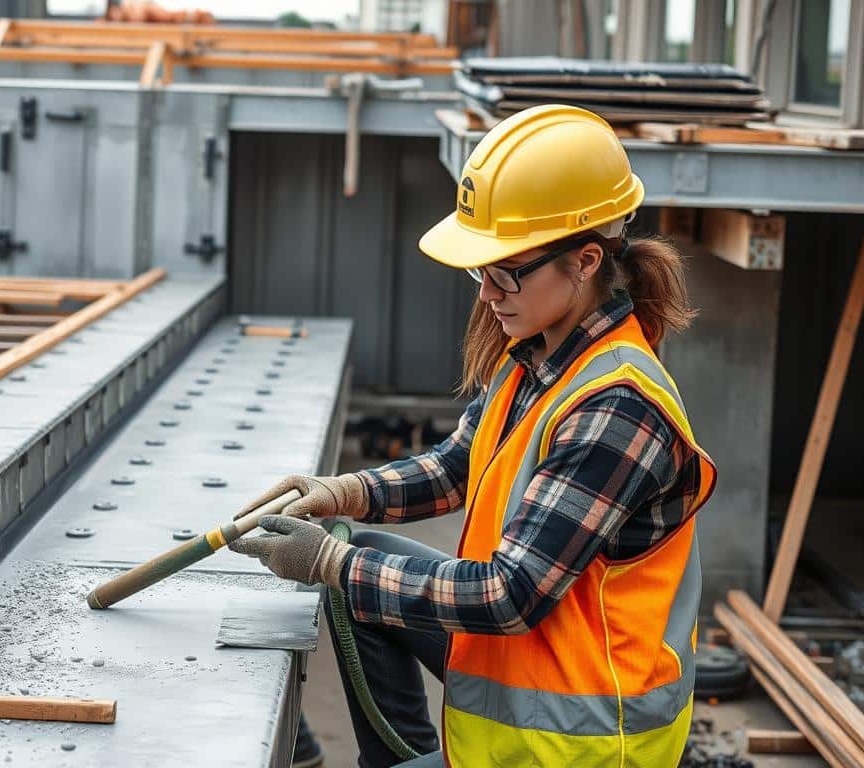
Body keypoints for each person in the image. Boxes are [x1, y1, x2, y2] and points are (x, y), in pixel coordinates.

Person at [229, 104, 718, 768]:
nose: (487, 293)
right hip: (541, 675)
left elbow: (506, 597)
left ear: (585, 259)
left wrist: (327, 563)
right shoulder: (542, 355)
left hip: (582, 740)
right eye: (479, 270)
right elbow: (459, 467)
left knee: (351, 566)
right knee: (361, 554)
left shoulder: (616, 409)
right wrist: (340, 493)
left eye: (505, 271)